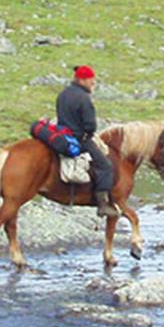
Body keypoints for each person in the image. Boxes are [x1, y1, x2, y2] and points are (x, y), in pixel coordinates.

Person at [55, 64, 119, 218]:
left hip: (62, 134)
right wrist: (89, 133)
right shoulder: (84, 98)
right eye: (92, 81)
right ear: (83, 80)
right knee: (105, 165)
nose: (93, 84)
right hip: (78, 139)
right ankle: (103, 204)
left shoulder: (63, 94)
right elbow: (90, 125)